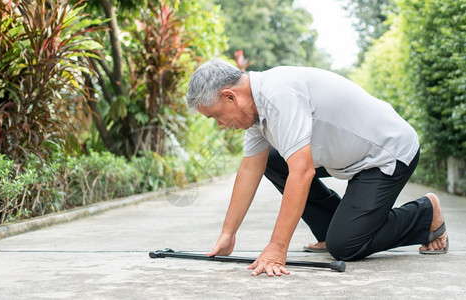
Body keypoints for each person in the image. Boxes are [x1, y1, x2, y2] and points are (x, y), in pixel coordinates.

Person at [185, 58, 449, 277]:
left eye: (216, 115)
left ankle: (424, 214)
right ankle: (329, 227)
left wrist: (277, 248)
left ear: (229, 96)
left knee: (345, 246)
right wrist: (228, 234)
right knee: (272, 160)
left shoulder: (279, 93)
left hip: (387, 154)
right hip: (350, 157)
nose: (220, 124)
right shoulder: (256, 111)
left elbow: (302, 171)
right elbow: (249, 170)